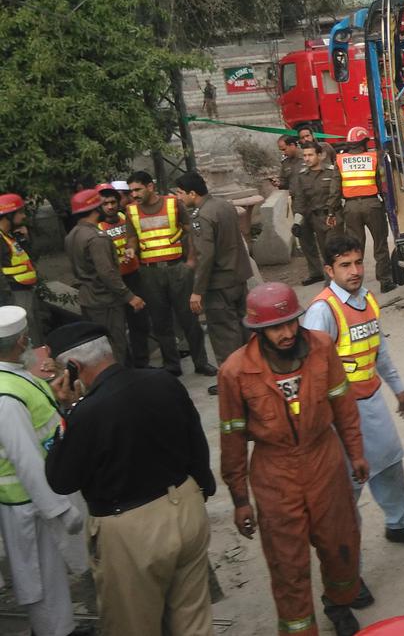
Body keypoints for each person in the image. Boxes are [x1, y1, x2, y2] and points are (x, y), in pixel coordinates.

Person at [43, 322, 215, 635]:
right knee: (194, 623)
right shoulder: (163, 381)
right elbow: (196, 440)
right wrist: (202, 489)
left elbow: (61, 480)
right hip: (187, 507)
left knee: (132, 626)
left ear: (73, 366)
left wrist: (64, 410)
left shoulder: (84, 414)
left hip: (131, 532)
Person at [218, 282, 370, 636]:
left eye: (290, 323)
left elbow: (343, 405)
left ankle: (339, 603)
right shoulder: (235, 372)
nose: (286, 333)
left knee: (340, 544)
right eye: (275, 327)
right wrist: (240, 500)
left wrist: (356, 452)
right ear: (257, 330)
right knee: (287, 563)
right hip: (275, 473)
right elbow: (233, 440)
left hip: (324, 459)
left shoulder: (321, 347)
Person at [302, 235, 404, 548]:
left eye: (358, 262)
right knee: (348, 484)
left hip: (370, 401)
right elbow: (312, 373)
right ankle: (347, 567)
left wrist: (399, 389)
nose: (355, 270)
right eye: (345, 265)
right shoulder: (323, 312)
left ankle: (397, 524)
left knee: (389, 464)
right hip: (340, 412)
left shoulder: (367, 299)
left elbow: (379, 351)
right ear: (329, 271)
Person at [0, 306, 90, 636]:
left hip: (36, 499)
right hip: (29, 504)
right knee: (40, 580)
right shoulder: (6, 395)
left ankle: (62, 628)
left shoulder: (14, 377)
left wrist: (61, 402)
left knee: (51, 577)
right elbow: (25, 459)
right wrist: (59, 509)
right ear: (21, 341)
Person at [125, 170, 216, 378]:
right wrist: (132, 249)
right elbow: (132, 237)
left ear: (150, 187)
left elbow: (190, 230)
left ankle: (201, 362)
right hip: (149, 274)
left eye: (138, 189)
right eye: (132, 191)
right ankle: (172, 365)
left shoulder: (173, 204)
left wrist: (191, 261)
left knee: (189, 319)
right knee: (160, 322)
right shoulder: (131, 211)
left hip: (177, 270)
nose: (134, 195)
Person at [174, 172, 253, 370]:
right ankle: (252, 369)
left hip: (218, 285)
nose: (178, 198)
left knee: (225, 334)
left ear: (192, 193)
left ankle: (231, 378)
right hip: (238, 277)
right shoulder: (224, 205)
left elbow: (205, 256)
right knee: (244, 327)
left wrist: (197, 291)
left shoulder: (201, 217)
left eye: (180, 193)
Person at [64, 189, 144, 367]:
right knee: (115, 346)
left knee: (98, 347)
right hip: (105, 300)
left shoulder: (72, 235)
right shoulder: (96, 238)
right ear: (95, 208)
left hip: (88, 298)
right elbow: (107, 273)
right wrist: (130, 296)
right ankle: (120, 384)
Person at [97, 184, 152, 368]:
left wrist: (131, 248)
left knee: (140, 323)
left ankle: (142, 363)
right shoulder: (97, 227)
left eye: (113, 202)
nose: (110, 207)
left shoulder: (125, 218)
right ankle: (126, 367)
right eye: (105, 203)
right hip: (114, 283)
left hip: (133, 276)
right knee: (117, 328)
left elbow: (134, 238)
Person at [337, 128, 397, 293]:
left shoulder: (340, 160)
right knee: (380, 243)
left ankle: (354, 285)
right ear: (364, 143)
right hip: (372, 205)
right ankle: (385, 281)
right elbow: (382, 184)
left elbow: (335, 189)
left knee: (354, 248)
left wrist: (332, 211)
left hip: (350, 207)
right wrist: (387, 205)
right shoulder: (373, 158)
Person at [291, 141, 343, 287]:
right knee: (325, 251)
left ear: (320, 155)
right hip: (316, 219)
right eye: (304, 155)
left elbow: (339, 194)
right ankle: (334, 281)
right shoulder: (302, 177)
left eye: (310, 155)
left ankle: (333, 283)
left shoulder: (332, 171)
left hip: (333, 218)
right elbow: (300, 201)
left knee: (334, 250)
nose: (306, 158)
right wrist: (296, 222)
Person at [0, 193, 48, 346]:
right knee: (27, 334)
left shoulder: (10, 236)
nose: (23, 216)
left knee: (35, 330)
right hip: (14, 294)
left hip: (25, 290)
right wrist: (8, 299)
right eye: (19, 212)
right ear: (8, 216)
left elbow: (29, 259)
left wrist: (26, 240)